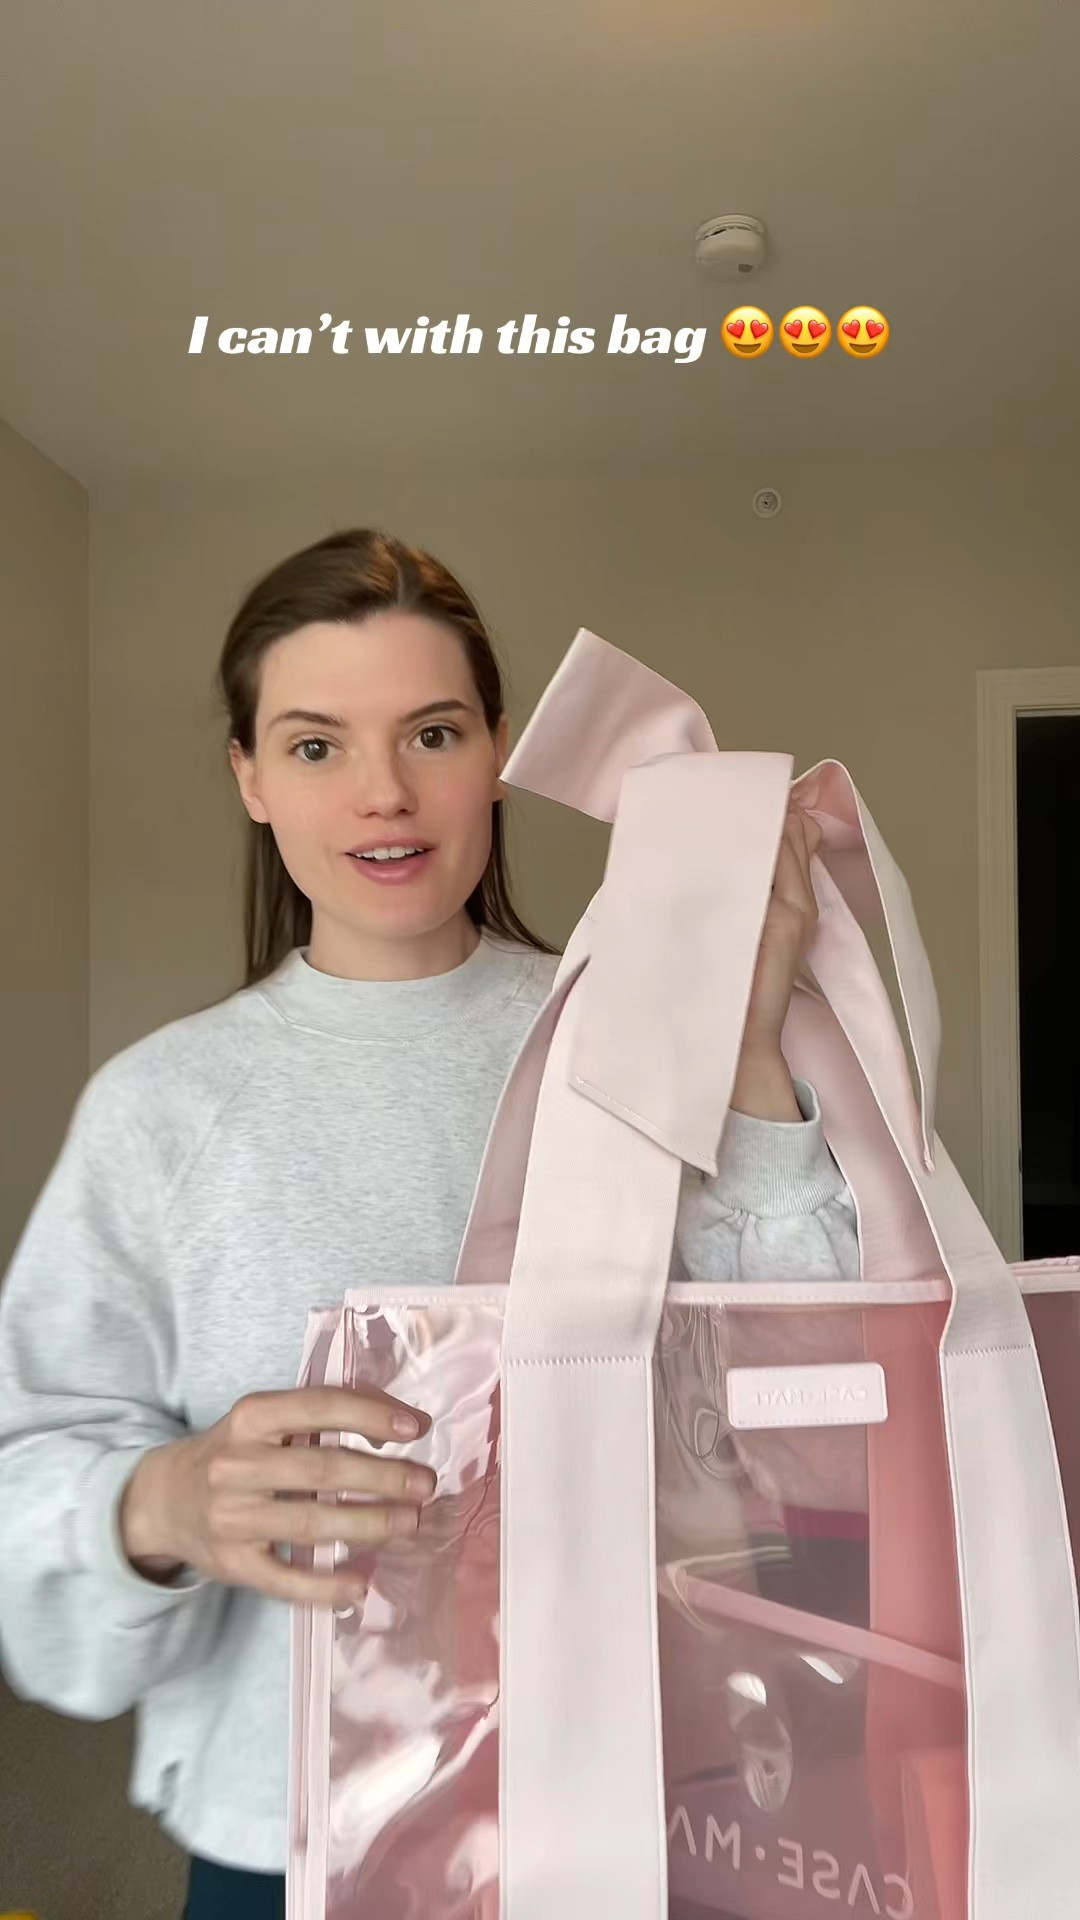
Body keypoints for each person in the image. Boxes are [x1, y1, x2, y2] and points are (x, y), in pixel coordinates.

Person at [0, 528, 859, 1919]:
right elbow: (32, 1463)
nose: (385, 794)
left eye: (434, 732)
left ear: (498, 752)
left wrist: (750, 1049)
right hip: (290, 1841)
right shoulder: (157, 1110)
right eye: (316, 744)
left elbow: (820, 1414)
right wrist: (158, 1501)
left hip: (641, 1801)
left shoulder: (630, 1039)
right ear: (249, 776)